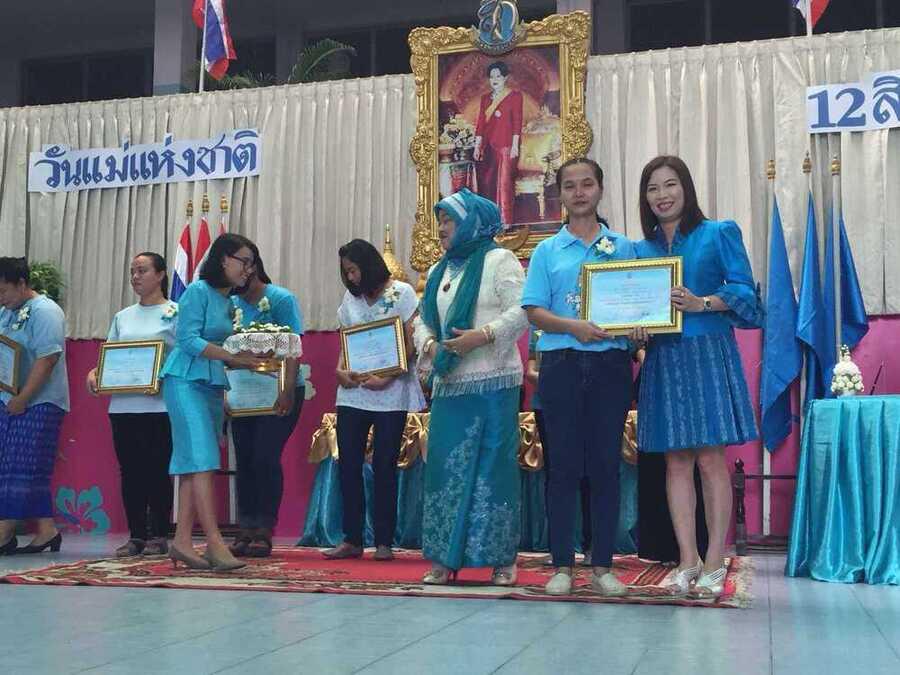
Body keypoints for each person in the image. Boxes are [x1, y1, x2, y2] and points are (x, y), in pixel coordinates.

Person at [630, 155, 761, 597]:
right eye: (652, 188)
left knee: (710, 459)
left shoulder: (719, 232)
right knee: (676, 462)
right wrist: (635, 329)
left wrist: (701, 303)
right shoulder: (640, 251)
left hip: (707, 353)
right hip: (664, 358)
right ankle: (687, 560)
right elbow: (633, 309)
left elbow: (745, 295)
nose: (662, 195)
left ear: (686, 188)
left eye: (670, 185)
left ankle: (715, 560)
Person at [521, 158, 635, 596]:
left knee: (605, 466)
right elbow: (534, 311)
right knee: (563, 467)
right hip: (561, 365)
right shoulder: (547, 251)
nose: (579, 192)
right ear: (561, 195)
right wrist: (574, 327)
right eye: (570, 186)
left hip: (610, 366)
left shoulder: (622, 247)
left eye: (587, 184)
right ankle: (562, 566)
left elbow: (637, 303)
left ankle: (602, 565)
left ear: (600, 189)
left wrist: (640, 326)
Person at [415, 188, 528, 586]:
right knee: (446, 470)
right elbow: (422, 320)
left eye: (450, 220)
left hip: (494, 383)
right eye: (441, 220)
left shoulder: (500, 260)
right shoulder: (438, 270)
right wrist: (430, 346)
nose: (443, 228)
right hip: (449, 385)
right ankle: (444, 559)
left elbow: (522, 310)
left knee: (492, 469)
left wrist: (481, 336)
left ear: (473, 222)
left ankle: (501, 560)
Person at [160, 234, 267, 572]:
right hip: (184, 381)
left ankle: (181, 542)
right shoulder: (197, 291)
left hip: (211, 384)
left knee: (194, 463)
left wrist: (251, 354)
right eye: (244, 261)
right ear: (223, 259)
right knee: (203, 460)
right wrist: (233, 356)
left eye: (251, 264)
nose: (248, 270)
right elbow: (188, 340)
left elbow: (225, 346)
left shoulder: (228, 301)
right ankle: (215, 543)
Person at [324, 239, 425, 562]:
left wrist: (388, 377)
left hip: (391, 394)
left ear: (368, 266)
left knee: (384, 466)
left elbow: (411, 342)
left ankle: (383, 541)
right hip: (353, 393)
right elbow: (346, 340)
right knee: (348, 465)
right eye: (345, 272)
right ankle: (352, 539)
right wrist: (340, 370)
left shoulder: (402, 293)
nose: (350, 277)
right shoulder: (350, 299)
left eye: (353, 270)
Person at [86, 253, 177, 558]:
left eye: (142, 270)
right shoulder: (123, 316)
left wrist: (162, 375)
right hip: (123, 407)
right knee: (131, 472)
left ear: (160, 274)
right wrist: (94, 373)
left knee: (158, 471)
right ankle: (136, 535)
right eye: (132, 271)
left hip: (160, 406)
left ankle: (159, 535)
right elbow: (110, 356)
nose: (136, 277)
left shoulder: (175, 313)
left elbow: (181, 357)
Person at [228, 245, 306, 558]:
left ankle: (263, 528)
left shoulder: (281, 299)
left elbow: (293, 348)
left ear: (253, 267)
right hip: (241, 396)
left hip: (278, 392)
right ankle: (245, 527)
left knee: (264, 455)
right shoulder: (230, 303)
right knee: (245, 459)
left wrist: (286, 390)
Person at [0, 257, 69, 556]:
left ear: (22, 284)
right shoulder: (6, 312)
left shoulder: (46, 311)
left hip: (40, 401)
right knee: (19, 466)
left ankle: (4, 531)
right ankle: (46, 530)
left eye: (3, 291)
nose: (0, 298)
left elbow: (48, 358)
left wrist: (23, 398)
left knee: (20, 466)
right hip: (10, 401)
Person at [526, 327, 593, 565]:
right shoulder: (538, 326)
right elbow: (530, 369)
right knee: (556, 474)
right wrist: (554, 379)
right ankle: (559, 548)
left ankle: (592, 546)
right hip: (548, 403)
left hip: (586, 401)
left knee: (590, 474)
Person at [474, 60, 523, 226]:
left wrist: (515, 146)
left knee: (504, 183)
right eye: (492, 76)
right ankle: (491, 219)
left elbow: (517, 122)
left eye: (498, 76)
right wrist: (477, 146)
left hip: (507, 147)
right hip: (488, 147)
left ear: (505, 78)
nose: (494, 79)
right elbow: (481, 124)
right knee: (488, 184)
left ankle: (505, 220)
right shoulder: (485, 99)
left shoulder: (514, 96)